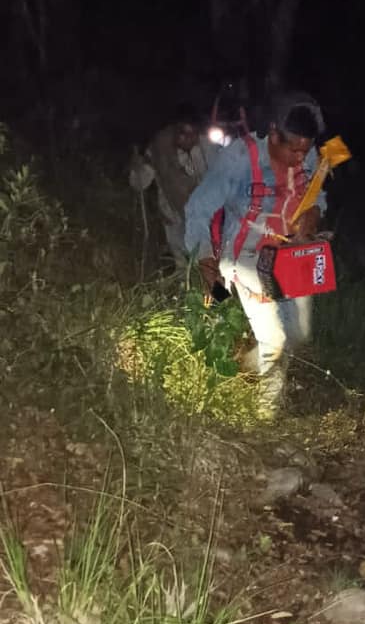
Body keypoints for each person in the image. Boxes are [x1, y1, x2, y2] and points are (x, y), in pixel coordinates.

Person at [185, 91, 327, 412]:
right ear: (273, 134)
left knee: (298, 336)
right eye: (294, 150)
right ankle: (264, 418)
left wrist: (314, 212)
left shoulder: (309, 154)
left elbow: (318, 194)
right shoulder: (239, 160)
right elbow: (197, 210)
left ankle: (249, 365)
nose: (301, 158)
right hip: (245, 256)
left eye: (306, 151)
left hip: (290, 258)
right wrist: (207, 265)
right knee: (275, 341)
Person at [129, 106, 220, 265]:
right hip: (174, 217)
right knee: (184, 265)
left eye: (191, 134)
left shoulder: (209, 147)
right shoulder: (160, 150)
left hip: (206, 218)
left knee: (208, 262)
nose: (185, 138)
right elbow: (140, 184)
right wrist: (138, 170)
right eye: (181, 133)